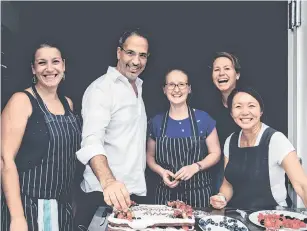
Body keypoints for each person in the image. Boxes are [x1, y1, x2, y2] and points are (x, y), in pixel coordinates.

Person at [1, 43, 82, 231]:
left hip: (62, 207)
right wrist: (17, 217)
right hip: (29, 206)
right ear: (33, 69)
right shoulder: (21, 101)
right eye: (42, 63)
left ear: (64, 65)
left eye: (55, 62)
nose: (49, 68)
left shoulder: (67, 103)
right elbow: (5, 160)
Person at [75, 29, 150, 230]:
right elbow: (91, 140)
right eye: (130, 53)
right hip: (103, 195)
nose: (136, 61)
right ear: (119, 53)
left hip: (131, 195)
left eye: (142, 55)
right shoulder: (101, 89)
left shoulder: (138, 86)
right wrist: (108, 182)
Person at [210, 87, 307, 209]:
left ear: (261, 111)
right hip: (240, 216)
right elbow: (228, 184)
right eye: (238, 106)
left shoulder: (276, 139)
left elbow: (302, 185)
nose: (245, 112)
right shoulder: (230, 141)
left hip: (273, 218)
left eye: (251, 106)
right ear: (231, 113)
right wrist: (222, 197)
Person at [146, 69, 221, 207]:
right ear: (164, 89)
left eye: (181, 84)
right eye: (171, 84)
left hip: (199, 194)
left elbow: (215, 153)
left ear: (189, 88)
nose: (176, 89)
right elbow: (149, 157)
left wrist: (196, 167)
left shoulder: (204, 119)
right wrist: (162, 172)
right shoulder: (156, 122)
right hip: (165, 195)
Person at [209, 52, 241, 193]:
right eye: (217, 70)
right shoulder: (209, 108)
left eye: (227, 68)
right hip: (219, 172)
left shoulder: (249, 104)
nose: (221, 73)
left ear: (237, 74)